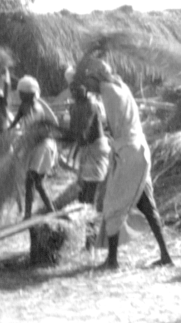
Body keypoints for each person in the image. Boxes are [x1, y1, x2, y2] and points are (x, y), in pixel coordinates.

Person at [74, 56, 173, 269]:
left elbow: (95, 88)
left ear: (97, 78)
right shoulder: (121, 87)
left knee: (112, 205)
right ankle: (165, 256)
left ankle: (112, 261)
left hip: (128, 153)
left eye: (90, 82)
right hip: (139, 150)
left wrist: (87, 61)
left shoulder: (108, 90)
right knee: (147, 205)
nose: (88, 88)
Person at [8, 75, 59, 220]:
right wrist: (8, 132)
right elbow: (16, 121)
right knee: (37, 183)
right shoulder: (24, 106)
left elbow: (36, 132)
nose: (19, 95)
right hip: (36, 146)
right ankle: (50, 209)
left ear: (29, 94)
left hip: (44, 146)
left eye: (21, 93)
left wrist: (22, 143)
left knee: (31, 180)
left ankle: (28, 215)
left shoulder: (36, 108)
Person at [65, 73, 110, 207]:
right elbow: (75, 130)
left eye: (78, 88)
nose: (75, 92)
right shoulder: (74, 107)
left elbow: (84, 130)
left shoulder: (90, 105)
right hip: (86, 148)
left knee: (91, 184)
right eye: (72, 89)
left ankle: (88, 212)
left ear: (86, 90)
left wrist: (72, 140)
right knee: (84, 185)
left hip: (95, 147)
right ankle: (84, 209)